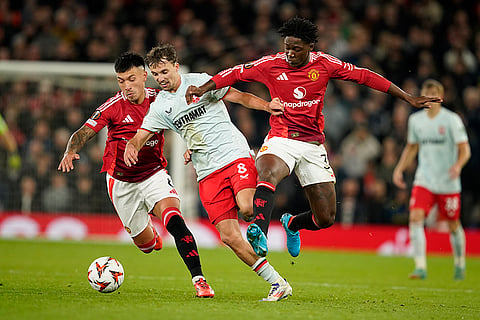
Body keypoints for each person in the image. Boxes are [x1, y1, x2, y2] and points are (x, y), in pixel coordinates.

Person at [185, 17, 442, 258]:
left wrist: (407, 97)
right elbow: (233, 73)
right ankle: (259, 232)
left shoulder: (325, 64)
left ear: (310, 46)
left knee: (326, 217)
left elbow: (364, 76)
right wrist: (202, 88)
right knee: (268, 170)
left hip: (312, 143)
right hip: (281, 137)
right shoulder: (270, 64)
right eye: (287, 48)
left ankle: (292, 224)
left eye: (296, 49)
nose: (290, 54)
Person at [124, 44, 292, 302]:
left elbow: (239, 97)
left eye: (165, 71)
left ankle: (263, 228)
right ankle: (278, 283)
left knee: (247, 207)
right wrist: (131, 147)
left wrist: (267, 106)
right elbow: (141, 134)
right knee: (229, 237)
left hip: (234, 154)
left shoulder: (201, 82)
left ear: (176, 66)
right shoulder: (160, 107)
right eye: (156, 74)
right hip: (206, 171)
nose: (161, 78)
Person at [58, 52, 214, 298]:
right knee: (147, 247)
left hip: (154, 174)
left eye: (131, 79)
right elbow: (83, 132)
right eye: (121, 81)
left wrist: (191, 146)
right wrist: (70, 151)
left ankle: (200, 280)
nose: (127, 86)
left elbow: (186, 123)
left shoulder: (161, 99)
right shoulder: (113, 107)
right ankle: (151, 235)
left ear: (144, 76)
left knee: (174, 219)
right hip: (121, 183)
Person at [393, 79, 471, 280]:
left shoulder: (451, 120)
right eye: (427, 91)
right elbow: (412, 148)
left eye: (434, 92)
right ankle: (420, 266)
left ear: (441, 95)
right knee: (415, 218)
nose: (430, 95)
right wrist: (399, 169)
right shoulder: (416, 121)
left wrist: (457, 165)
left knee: (453, 223)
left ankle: (460, 263)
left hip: (448, 182)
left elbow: (465, 150)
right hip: (424, 180)